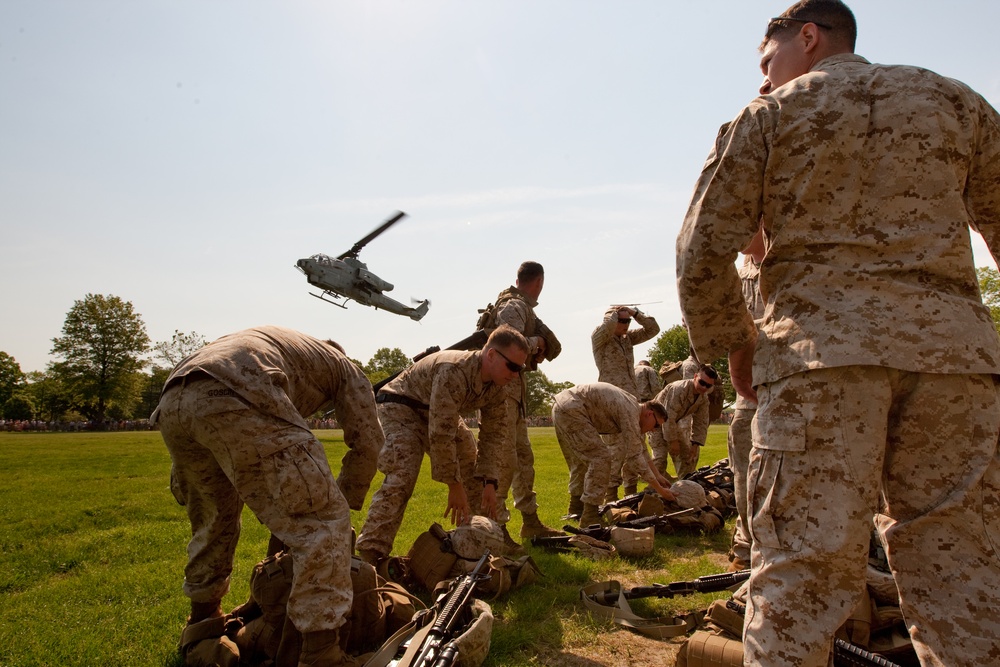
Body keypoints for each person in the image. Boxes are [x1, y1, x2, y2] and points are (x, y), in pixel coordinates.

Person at [676, 1, 1000, 664]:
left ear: (810, 37)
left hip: (819, 365)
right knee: (962, 580)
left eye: (770, 62)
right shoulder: (955, 101)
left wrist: (736, 343)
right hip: (955, 369)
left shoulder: (768, 117)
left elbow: (702, 250)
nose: (765, 79)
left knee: (799, 582)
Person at [152, 326, 383, 667]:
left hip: (175, 399)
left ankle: (204, 626)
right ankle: (321, 654)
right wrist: (343, 499)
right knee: (322, 522)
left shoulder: (287, 348)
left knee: (215, 519)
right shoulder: (341, 365)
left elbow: (282, 494)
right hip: (238, 388)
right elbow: (368, 440)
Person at [355, 325, 528, 564]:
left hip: (436, 412)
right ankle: (370, 554)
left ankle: (481, 541)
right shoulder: (454, 371)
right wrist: (453, 485)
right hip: (401, 405)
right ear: (491, 355)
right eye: (513, 366)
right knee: (403, 472)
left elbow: (493, 435)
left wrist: (490, 481)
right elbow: (440, 434)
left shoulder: (499, 386)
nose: (516, 374)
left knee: (471, 458)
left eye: (521, 368)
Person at [478, 261, 564, 554]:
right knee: (502, 462)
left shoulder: (524, 307)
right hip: (501, 394)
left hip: (514, 395)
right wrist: (536, 341)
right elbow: (506, 345)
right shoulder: (513, 306)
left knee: (523, 460)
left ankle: (530, 521)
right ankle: (496, 530)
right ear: (539, 281)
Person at [551, 382, 675, 527]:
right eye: (656, 425)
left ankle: (576, 509)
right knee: (601, 458)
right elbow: (635, 457)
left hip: (563, 406)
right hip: (573, 409)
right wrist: (660, 490)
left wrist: (658, 477)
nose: (654, 431)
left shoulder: (634, 409)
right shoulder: (631, 412)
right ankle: (590, 517)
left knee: (582, 461)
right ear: (649, 413)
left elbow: (641, 449)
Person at [727, 229, 766, 572]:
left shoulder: (790, 249)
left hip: (792, 375)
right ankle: (747, 541)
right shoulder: (742, 270)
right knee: (741, 447)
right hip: (750, 385)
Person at [591, 306, 660, 500]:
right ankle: (610, 496)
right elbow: (607, 326)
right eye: (622, 321)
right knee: (615, 450)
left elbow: (653, 329)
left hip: (630, 400)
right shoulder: (600, 338)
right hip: (610, 402)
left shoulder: (627, 338)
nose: (625, 325)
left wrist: (635, 313)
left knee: (636, 445)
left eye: (627, 322)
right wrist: (613, 313)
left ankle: (631, 493)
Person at [648, 364, 718, 479]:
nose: (704, 387)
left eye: (708, 386)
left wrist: (695, 444)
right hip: (654, 424)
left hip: (672, 425)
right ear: (695, 376)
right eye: (702, 382)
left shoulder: (703, 398)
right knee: (659, 459)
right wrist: (673, 441)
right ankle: (652, 492)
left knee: (687, 458)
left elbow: (701, 422)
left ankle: (685, 487)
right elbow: (668, 416)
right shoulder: (679, 389)